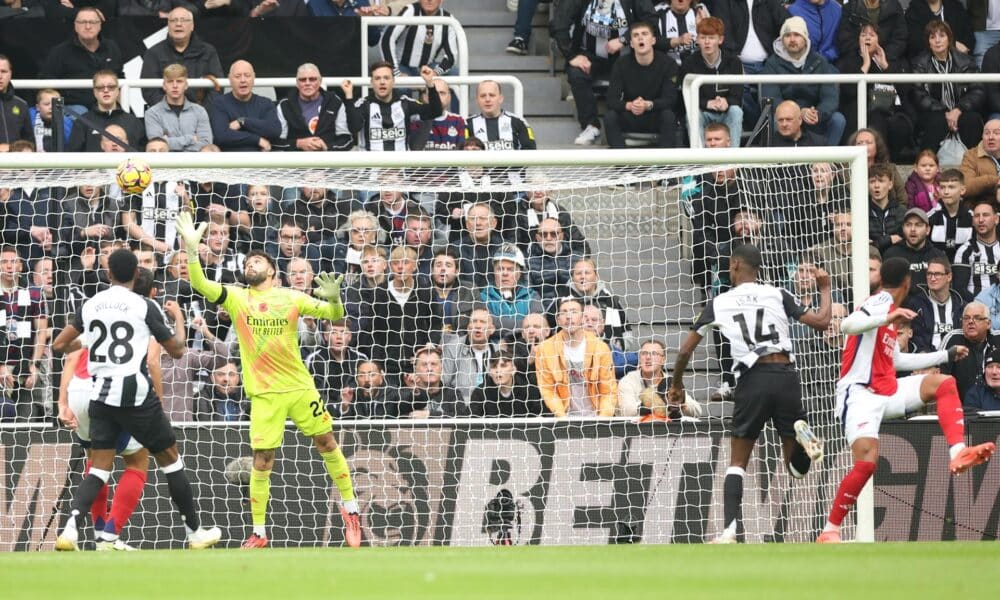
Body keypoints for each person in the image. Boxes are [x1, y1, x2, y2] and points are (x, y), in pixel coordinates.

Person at [175, 210, 361, 549]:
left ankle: (351, 511)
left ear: (272, 271)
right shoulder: (237, 298)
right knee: (262, 461)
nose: (250, 264)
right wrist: (191, 248)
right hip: (264, 394)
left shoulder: (291, 297)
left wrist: (334, 298)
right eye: (247, 262)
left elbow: (335, 315)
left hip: (299, 387)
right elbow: (200, 284)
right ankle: (259, 532)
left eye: (257, 260)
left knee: (327, 444)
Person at [51, 249, 222, 551]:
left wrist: (88, 338)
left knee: (99, 468)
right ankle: (194, 533)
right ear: (136, 274)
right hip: (136, 396)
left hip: (100, 395)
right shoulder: (144, 305)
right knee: (171, 460)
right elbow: (178, 351)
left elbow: (59, 344)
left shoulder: (91, 305)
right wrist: (178, 322)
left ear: (108, 274)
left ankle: (70, 530)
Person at [817, 257, 996, 543]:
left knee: (944, 383)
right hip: (860, 394)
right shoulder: (880, 303)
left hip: (886, 390)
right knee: (867, 463)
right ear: (907, 283)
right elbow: (848, 325)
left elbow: (896, 360)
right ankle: (830, 529)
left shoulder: (887, 310)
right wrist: (887, 317)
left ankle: (957, 452)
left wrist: (944, 356)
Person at [668, 243, 830, 544]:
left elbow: (685, 349)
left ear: (735, 266)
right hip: (786, 376)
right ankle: (806, 438)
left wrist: (677, 384)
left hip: (752, 380)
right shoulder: (779, 294)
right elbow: (822, 323)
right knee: (795, 469)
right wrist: (825, 288)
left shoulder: (720, 302)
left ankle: (729, 530)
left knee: (737, 462)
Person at [56, 268, 165, 550]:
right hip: (111, 390)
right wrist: (158, 404)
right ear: (152, 292)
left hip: (79, 388)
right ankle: (110, 534)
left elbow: (70, 355)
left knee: (96, 462)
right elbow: (153, 361)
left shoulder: (97, 306)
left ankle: (91, 531)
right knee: (138, 460)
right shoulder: (145, 311)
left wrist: (62, 402)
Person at [551, 0, 657, 145]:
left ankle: (635, 126)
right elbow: (559, 23)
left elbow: (651, 21)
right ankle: (590, 125)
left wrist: (624, 39)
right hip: (590, 56)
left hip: (627, 57)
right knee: (576, 72)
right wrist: (571, 56)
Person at [761, 16, 845, 146]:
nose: (792, 39)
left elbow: (830, 97)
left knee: (838, 120)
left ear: (805, 39)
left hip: (814, 117)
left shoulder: (820, 61)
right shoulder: (772, 63)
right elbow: (771, 98)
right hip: (787, 117)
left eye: (797, 35)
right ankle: (781, 163)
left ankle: (825, 161)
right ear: (782, 39)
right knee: (773, 120)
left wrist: (818, 113)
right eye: (787, 35)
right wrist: (799, 112)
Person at [837, 24, 914, 160]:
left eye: (872, 35)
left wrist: (885, 66)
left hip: (887, 110)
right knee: (872, 117)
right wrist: (865, 66)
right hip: (856, 110)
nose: (867, 37)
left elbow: (904, 91)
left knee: (896, 123)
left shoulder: (891, 60)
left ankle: (885, 161)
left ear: (879, 40)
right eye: (863, 34)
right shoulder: (847, 61)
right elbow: (848, 91)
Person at [909, 20, 985, 153]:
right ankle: (927, 163)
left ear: (949, 39)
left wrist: (958, 110)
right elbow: (918, 94)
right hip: (934, 113)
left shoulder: (966, 61)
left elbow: (977, 90)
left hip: (962, 111)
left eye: (942, 36)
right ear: (928, 42)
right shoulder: (919, 64)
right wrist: (945, 112)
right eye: (933, 37)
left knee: (972, 120)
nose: (937, 40)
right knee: (937, 121)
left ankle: (973, 163)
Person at [535, 297, 617, 418]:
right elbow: (548, 389)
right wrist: (562, 417)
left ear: (583, 318)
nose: (569, 316)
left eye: (574, 311)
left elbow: (608, 390)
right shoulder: (545, 349)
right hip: (563, 418)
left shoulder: (601, 348)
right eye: (564, 312)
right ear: (558, 320)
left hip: (596, 417)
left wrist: (602, 419)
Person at [604, 20, 679, 149]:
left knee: (668, 116)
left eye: (645, 34)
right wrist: (630, 105)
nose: (640, 38)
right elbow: (611, 100)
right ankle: (622, 164)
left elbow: (671, 99)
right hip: (632, 113)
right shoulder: (621, 64)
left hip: (655, 113)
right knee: (610, 116)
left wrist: (648, 105)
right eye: (636, 35)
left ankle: (664, 165)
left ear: (653, 40)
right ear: (632, 44)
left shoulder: (669, 64)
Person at [39, 7, 122, 113]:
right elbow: (46, 84)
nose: (87, 26)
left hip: (107, 106)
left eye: (92, 22)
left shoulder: (112, 48)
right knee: (80, 111)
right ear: (75, 26)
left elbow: (119, 79)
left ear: (100, 25)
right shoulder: (60, 52)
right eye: (82, 22)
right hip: (74, 110)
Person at [344, 61, 442, 151]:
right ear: (372, 83)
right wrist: (349, 97)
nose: (382, 82)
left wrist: (430, 83)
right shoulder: (363, 105)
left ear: (393, 81)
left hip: (400, 168)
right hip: (372, 169)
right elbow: (353, 128)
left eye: (386, 78)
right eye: (377, 78)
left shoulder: (405, 103)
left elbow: (435, 112)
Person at [0, 245, 48, 421]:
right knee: (5, 413)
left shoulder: (33, 293)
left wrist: (34, 365)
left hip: (25, 369)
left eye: (13, 262)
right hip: (2, 369)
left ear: (21, 266)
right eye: (4, 262)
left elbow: (41, 331)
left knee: (27, 426)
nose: (9, 266)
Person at [679, 17, 744, 147]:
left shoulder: (734, 62)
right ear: (697, 40)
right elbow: (685, 96)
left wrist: (727, 102)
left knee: (736, 111)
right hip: (704, 111)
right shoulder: (688, 63)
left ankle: (732, 162)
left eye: (711, 38)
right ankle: (700, 163)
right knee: (693, 114)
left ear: (720, 39)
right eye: (703, 38)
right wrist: (707, 103)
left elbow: (737, 94)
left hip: (726, 110)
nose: (707, 42)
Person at [139, 7, 223, 107]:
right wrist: (171, 111)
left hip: (201, 116)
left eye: (183, 20)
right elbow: (149, 91)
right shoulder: (153, 53)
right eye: (174, 20)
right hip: (164, 116)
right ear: (168, 25)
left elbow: (218, 87)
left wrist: (200, 113)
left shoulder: (208, 52)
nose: (178, 24)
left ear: (192, 26)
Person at [275, 63, 353, 152]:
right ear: (297, 83)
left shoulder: (334, 102)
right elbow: (276, 142)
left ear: (320, 82)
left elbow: (347, 140)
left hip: (327, 162)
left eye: (312, 79)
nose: (307, 83)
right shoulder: (285, 105)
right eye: (302, 80)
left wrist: (326, 146)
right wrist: (298, 143)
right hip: (296, 163)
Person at [209, 60, 281, 153]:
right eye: (237, 76)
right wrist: (257, 139)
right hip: (229, 162)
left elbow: (274, 130)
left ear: (254, 78)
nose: (243, 80)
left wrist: (243, 121)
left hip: (260, 162)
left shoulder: (265, 103)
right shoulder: (220, 103)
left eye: (247, 76)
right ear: (230, 79)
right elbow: (221, 136)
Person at [619, 340, 703, 419]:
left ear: (663, 359)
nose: (648, 357)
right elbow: (626, 411)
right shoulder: (628, 380)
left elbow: (698, 411)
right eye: (644, 353)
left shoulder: (670, 382)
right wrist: (658, 402)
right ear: (640, 358)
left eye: (654, 353)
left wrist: (682, 404)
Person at [68, 71, 146, 153]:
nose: (106, 90)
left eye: (111, 87)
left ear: (117, 91)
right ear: (94, 92)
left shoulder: (133, 122)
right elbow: (73, 157)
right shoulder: (82, 122)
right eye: (100, 87)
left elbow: (141, 157)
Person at [380, 0, 459, 79]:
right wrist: (395, 72)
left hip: (428, 67)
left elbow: (451, 56)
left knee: (455, 73)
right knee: (402, 88)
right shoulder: (411, 11)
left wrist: (436, 73)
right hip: (403, 66)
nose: (429, 0)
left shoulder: (448, 19)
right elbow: (387, 39)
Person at [480, 243, 544, 340]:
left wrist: (499, 323)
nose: (505, 273)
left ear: (519, 273)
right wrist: (525, 324)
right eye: (500, 269)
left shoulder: (532, 296)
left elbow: (538, 325)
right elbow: (487, 325)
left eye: (510, 269)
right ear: (494, 271)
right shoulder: (482, 297)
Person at [144, 64, 213, 153]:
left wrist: (168, 141)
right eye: (170, 81)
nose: (175, 85)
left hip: (195, 164)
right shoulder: (152, 113)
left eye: (179, 81)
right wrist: (191, 138)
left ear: (186, 85)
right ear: (164, 86)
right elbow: (157, 147)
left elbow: (206, 144)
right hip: (166, 164)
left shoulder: (200, 111)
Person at [940, 301, 1000, 399]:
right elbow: (940, 375)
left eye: (977, 318)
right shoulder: (953, 339)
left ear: (988, 324)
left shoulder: (998, 339)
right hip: (962, 405)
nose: (970, 321)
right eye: (966, 318)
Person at [442, 306, 499, 406]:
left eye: (482, 322)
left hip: (492, 408)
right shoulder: (453, 348)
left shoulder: (499, 351)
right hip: (461, 409)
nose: (478, 326)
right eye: (474, 321)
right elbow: (444, 383)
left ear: (492, 329)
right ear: (468, 328)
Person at [909, 256, 965, 351]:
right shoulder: (916, 305)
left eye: (937, 274)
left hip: (957, 359)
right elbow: (916, 338)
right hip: (927, 361)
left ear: (949, 277)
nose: (932, 278)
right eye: (929, 274)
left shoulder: (961, 306)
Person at [883, 208, 947, 289]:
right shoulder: (891, 255)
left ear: (927, 230)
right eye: (908, 225)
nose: (912, 229)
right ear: (903, 228)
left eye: (918, 225)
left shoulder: (938, 256)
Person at [401, 344, 469, 418]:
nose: (429, 369)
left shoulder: (452, 394)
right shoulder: (406, 393)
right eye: (424, 365)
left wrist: (429, 415)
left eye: (434, 364)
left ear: (441, 369)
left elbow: (462, 418)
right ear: (415, 370)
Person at [526, 218, 586, 302]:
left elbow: (590, 288)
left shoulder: (576, 258)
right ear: (537, 238)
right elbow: (527, 294)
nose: (549, 238)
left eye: (554, 234)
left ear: (561, 236)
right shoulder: (528, 262)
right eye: (544, 234)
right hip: (543, 311)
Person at [465, 80, 536, 150]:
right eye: (483, 96)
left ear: (500, 98)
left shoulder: (518, 122)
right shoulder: (467, 124)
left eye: (492, 95)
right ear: (477, 100)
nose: (487, 99)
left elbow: (530, 152)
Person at [952, 199, 1000, 301]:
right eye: (977, 216)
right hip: (976, 310)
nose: (981, 220)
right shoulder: (965, 251)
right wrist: (981, 305)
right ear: (973, 221)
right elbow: (959, 289)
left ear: (996, 219)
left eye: (985, 215)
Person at [470, 352, 542, 417]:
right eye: (494, 367)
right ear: (489, 372)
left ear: (513, 370)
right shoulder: (480, 393)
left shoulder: (529, 391)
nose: (498, 370)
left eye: (503, 366)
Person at [838, 0, 909, 63]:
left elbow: (900, 39)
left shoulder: (894, 7)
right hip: (856, 60)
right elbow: (845, 40)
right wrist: (863, 53)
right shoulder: (850, 8)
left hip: (887, 60)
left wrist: (882, 55)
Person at [905, 0, 975, 62]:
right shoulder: (912, 12)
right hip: (927, 66)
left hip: (957, 64)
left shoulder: (956, 7)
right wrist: (953, 44)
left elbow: (969, 37)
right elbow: (915, 44)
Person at [927, 168, 972, 262]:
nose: (946, 192)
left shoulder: (972, 218)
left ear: (962, 190)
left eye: (951, 187)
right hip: (936, 270)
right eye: (942, 187)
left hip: (965, 269)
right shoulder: (929, 218)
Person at [409, 78, 466, 151]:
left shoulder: (458, 120)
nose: (438, 97)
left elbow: (462, 153)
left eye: (442, 93)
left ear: (449, 97)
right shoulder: (415, 121)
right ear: (424, 97)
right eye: (433, 93)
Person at [959, 118, 1000, 205]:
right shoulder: (971, 155)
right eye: (987, 133)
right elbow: (965, 187)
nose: (991, 137)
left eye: (996, 133)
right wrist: (993, 180)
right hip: (980, 208)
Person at [867, 163, 906, 253]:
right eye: (872, 181)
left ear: (890, 185)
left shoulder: (900, 211)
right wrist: (888, 240)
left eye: (881, 181)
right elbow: (864, 247)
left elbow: (904, 242)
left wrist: (876, 243)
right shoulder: (862, 213)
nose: (876, 185)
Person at [0, 55, 32, 150]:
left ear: (10, 74)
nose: (0, 76)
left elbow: (30, 142)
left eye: (4, 71)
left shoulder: (21, 105)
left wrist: (12, 149)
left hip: (16, 162)